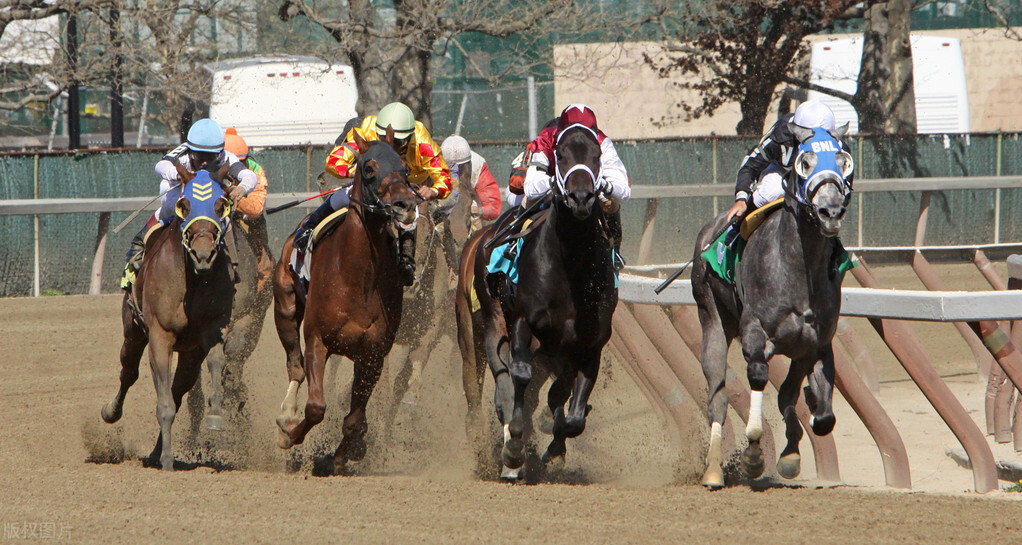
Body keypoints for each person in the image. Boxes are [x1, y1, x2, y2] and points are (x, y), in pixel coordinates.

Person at [293, 102, 454, 286]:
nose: (390, 144)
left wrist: (433, 190)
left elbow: (444, 177)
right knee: (345, 195)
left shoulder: (422, 142)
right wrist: (354, 171)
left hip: (407, 182)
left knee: (409, 211)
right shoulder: (366, 129)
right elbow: (334, 161)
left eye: (398, 142)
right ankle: (309, 227)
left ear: (411, 137)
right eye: (384, 137)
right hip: (375, 180)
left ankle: (407, 261)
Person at [120, 118, 258, 290]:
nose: (205, 163)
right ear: (191, 150)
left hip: (207, 205)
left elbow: (250, 176)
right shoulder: (183, 153)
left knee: (226, 219)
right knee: (169, 208)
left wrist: (242, 188)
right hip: (179, 195)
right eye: (200, 157)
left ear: (220, 152)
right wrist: (176, 174)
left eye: (211, 157)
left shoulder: (226, 157)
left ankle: (233, 266)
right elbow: (160, 165)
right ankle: (138, 247)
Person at [514, 104, 631, 270]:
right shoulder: (545, 140)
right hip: (554, 188)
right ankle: (513, 244)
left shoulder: (602, 142)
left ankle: (615, 249)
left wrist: (604, 185)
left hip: (589, 189)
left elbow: (624, 191)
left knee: (610, 201)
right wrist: (553, 182)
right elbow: (531, 187)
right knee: (529, 198)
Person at [725, 100, 852, 222]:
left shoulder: (839, 149)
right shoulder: (780, 136)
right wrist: (741, 200)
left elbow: (845, 191)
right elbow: (751, 165)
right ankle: (736, 232)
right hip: (783, 171)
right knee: (770, 191)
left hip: (813, 178)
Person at [224, 128, 274, 290]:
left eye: (241, 163)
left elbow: (256, 209)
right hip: (218, 214)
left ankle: (261, 287)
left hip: (245, 218)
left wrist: (232, 191)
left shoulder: (256, 171)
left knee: (264, 260)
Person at [440, 135, 501, 233]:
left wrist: (479, 211)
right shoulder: (432, 164)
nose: (456, 173)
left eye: (460, 169)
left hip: (471, 211)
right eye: (451, 168)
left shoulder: (478, 166)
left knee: (477, 230)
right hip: (443, 208)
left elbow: (494, 206)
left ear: (469, 164)